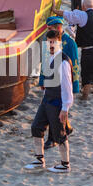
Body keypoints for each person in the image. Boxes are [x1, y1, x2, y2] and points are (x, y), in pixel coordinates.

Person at [25, 30, 74, 173]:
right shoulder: (50, 58)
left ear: (59, 42)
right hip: (47, 100)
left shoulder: (64, 61)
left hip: (58, 102)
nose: (51, 45)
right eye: (49, 42)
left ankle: (65, 164)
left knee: (60, 133)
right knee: (36, 127)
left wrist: (65, 108)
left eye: (53, 42)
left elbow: (67, 86)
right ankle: (39, 160)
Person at [52, 0, 93, 100]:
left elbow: (68, 15)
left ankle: (85, 96)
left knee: (87, 73)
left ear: (83, 6)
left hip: (90, 48)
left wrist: (55, 10)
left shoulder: (83, 15)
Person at [38, 15, 78, 149]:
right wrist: (42, 80)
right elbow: (45, 61)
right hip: (51, 81)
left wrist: (75, 85)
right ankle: (67, 127)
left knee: (55, 112)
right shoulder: (47, 40)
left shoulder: (69, 43)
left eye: (50, 28)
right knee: (52, 110)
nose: (47, 31)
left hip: (62, 82)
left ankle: (53, 138)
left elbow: (74, 64)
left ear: (59, 28)